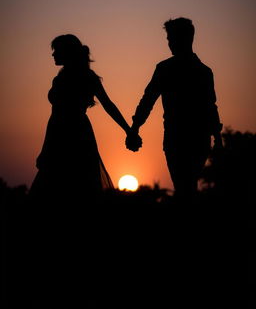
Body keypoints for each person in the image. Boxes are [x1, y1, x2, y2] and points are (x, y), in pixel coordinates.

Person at [29, 34, 141, 207]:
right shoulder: (62, 78)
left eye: (56, 50)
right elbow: (55, 118)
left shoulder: (85, 77)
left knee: (69, 190)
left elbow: (108, 105)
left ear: (67, 52)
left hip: (74, 135)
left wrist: (129, 130)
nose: (53, 55)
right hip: (64, 135)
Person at [126, 17, 223, 197]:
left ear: (186, 39)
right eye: (168, 39)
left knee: (184, 188)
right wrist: (217, 139)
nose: (169, 44)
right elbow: (211, 107)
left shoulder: (169, 69)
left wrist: (134, 129)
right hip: (189, 139)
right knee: (187, 187)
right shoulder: (202, 71)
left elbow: (210, 107)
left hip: (182, 138)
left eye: (172, 39)